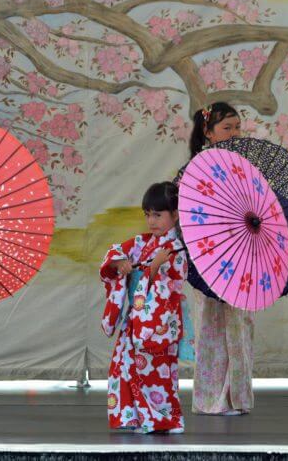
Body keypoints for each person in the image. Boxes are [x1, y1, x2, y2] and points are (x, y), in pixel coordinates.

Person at [177, 102, 254, 416]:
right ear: (207, 133)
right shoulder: (194, 170)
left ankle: (237, 397)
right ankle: (211, 400)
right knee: (211, 327)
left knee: (241, 327)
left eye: (237, 127)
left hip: (242, 254)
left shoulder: (245, 166)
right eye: (226, 128)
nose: (234, 133)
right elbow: (187, 218)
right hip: (209, 256)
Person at [99, 181, 187, 433]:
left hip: (159, 323)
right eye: (148, 214)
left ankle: (167, 420)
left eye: (158, 215)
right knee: (123, 365)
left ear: (175, 215)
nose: (152, 221)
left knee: (156, 374)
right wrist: (120, 264)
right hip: (135, 321)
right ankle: (132, 417)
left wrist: (154, 268)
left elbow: (173, 285)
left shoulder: (177, 249)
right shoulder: (143, 242)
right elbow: (115, 252)